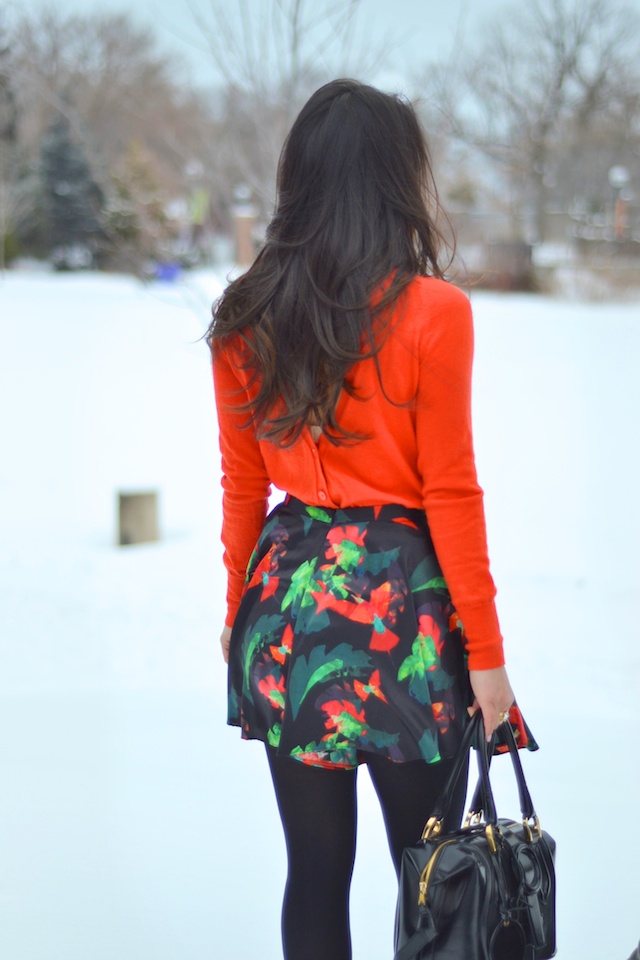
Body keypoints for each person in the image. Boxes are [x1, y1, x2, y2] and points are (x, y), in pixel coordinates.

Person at [208, 78, 534, 960]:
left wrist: (239, 616)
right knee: (431, 875)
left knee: (313, 872)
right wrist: (490, 660)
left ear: (299, 178)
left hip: (287, 616)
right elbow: (452, 492)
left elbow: (245, 489)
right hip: (405, 623)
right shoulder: (435, 312)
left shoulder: (246, 313)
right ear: (397, 179)